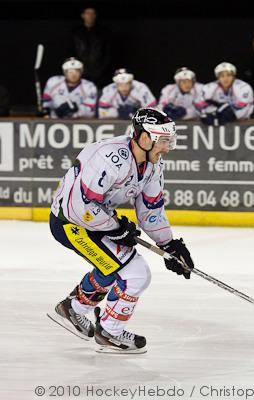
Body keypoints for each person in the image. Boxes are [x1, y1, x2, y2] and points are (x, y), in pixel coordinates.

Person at [47, 108, 194, 354]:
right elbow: (79, 207)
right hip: (71, 223)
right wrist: (115, 228)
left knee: (115, 264)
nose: (167, 148)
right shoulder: (110, 158)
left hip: (96, 221)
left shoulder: (152, 165)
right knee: (135, 274)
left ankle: (74, 308)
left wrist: (170, 246)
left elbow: (150, 210)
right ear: (145, 138)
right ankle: (110, 332)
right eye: (164, 141)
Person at [68, 6, 112, 88]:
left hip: (100, 75)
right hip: (80, 73)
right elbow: (71, 52)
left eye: (92, 13)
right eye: (88, 13)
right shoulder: (75, 33)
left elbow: (108, 54)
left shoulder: (104, 32)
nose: (90, 16)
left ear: (95, 16)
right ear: (83, 15)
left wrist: (101, 70)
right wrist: (77, 69)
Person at [200, 62, 254, 126]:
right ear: (218, 77)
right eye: (222, 76)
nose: (225, 78)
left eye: (228, 75)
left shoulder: (243, 87)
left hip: (242, 122)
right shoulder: (209, 88)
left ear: (233, 76)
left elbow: (243, 109)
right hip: (219, 122)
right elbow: (203, 107)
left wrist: (221, 117)